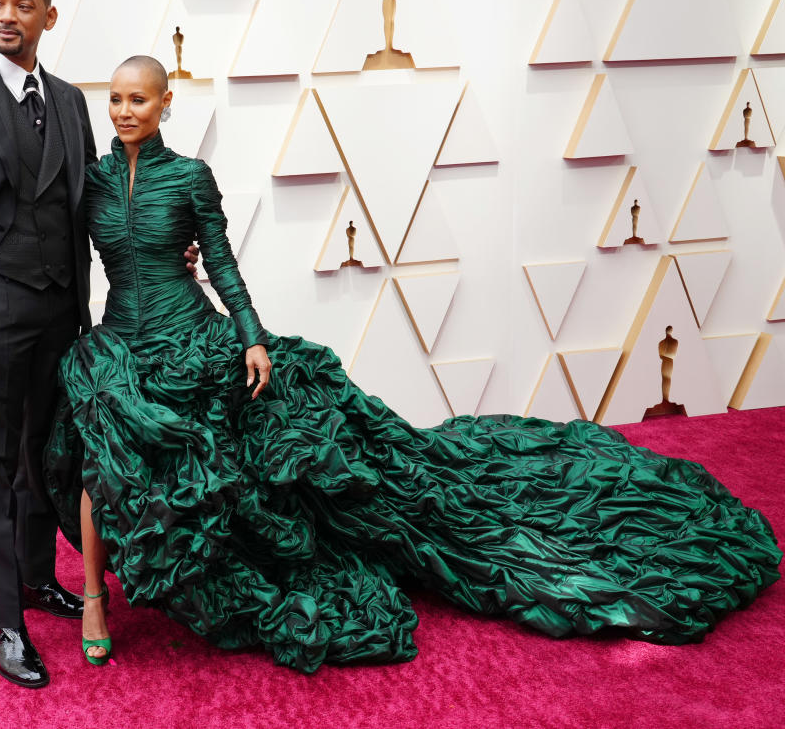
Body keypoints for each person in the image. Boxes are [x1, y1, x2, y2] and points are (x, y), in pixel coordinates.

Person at [44, 56, 781, 673]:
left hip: (193, 337)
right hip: (120, 345)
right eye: (114, 99)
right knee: (100, 462)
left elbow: (225, 265)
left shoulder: (191, 177)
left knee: (277, 464)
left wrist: (254, 337)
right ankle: (97, 600)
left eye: (137, 98)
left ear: (166, 103)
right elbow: (78, 260)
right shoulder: (97, 181)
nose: (122, 110)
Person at [0, 0, 198, 688]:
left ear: (48, 19)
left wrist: (165, 241)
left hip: (61, 308)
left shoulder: (67, 101)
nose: (8, 14)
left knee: (46, 454)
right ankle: (7, 618)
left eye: (23, 4)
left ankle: (37, 577)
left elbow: (87, 201)